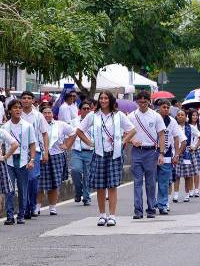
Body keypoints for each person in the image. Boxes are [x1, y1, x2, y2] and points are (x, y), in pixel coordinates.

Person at [75, 91, 136, 227]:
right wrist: (90, 143)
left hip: (114, 154)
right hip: (98, 153)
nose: (103, 100)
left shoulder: (118, 115)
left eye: (105, 98)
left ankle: (112, 215)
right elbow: (79, 130)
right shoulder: (93, 115)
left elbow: (132, 130)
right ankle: (102, 215)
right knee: (100, 186)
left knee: (112, 185)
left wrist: (122, 141)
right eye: (101, 98)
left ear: (111, 100)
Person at [127, 90, 166, 219]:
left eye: (145, 102)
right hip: (137, 151)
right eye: (140, 102)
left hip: (151, 152)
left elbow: (161, 135)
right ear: (137, 102)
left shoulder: (156, 116)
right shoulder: (131, 116)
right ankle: (138, 210)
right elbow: (124, 134)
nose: (142, 104)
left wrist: (161, 153)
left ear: (149, 101)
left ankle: (151, 209)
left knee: (150, 182)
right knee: (137, 182)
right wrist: (132, 140)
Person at [1, 100, 37, 225]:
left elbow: (33, 144)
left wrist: (32, 160)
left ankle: (21, 214)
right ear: (10, 110)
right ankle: (10, 216)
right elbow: (1, 145)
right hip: (9, 161)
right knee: (9, 189)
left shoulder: (27, 126)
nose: (18, 110)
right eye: (15, 108)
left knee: (23, 189)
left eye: (19, 108)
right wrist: (2, 157)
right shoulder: (4, 127)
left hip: (23, 160)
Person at [19, 91, 49, 218]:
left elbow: (45, 134)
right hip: (19, 152)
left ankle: (31, 205)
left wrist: (46, 152)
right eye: (24, 98)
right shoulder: (17, 114)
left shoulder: (38, 116)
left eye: (28, 98)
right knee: (23, 180)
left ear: (33, 100)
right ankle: (24, 207)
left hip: (35, 151)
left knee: (32, 179)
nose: (26, 100)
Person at [154, 99, 183, 213]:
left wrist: (176, 154)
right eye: (163, 107)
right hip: (153, 153)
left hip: (167, 154)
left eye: (167, 107)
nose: (166, 109)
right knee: (151, 182)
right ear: (159, 108)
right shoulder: (154, 118)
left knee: (164, 182)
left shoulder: (172, 121)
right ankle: (152, 203)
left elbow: (176, 137)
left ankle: (162, 204)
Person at [174, 110, 200, 202]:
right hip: (177, 152)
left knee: (188, 175)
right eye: (178, 115)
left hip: (187, 153)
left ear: (186, 116)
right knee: (176, 175)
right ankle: (176, 195)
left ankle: (187, 194)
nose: (180, 116)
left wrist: (195, 147)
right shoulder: (174, 127)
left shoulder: (190, 127)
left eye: (182, 115)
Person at [69, 100, 94, 206]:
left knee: (88, 175)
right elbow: (68, 134)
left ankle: (86, 197)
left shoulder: (94, 121)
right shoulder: (74, 122)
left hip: (90, 151)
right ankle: (78, 191)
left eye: (89, 109)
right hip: (77, 151)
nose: (87, 110)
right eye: (84, 108)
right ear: (80, 110)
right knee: (75, 170)